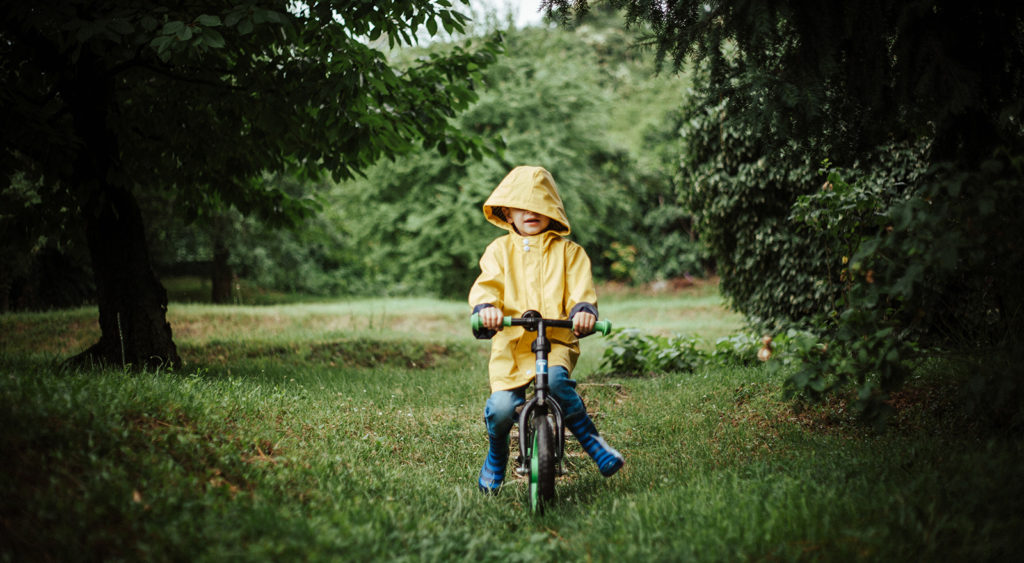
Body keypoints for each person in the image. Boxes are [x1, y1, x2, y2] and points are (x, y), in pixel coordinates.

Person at [469, 165, 624, 494]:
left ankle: (593, 442)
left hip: (554, 343)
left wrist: (583, 312)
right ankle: (497, 454)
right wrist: (487, 310)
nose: (530, 212)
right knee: (499, 409)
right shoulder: (499, 252)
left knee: (556, 382)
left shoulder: (570, 253)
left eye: (539, 205)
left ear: (552, 210)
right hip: (512, 348)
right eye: (521, 206)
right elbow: (487, 287)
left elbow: (581, 292)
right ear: (507, 212)